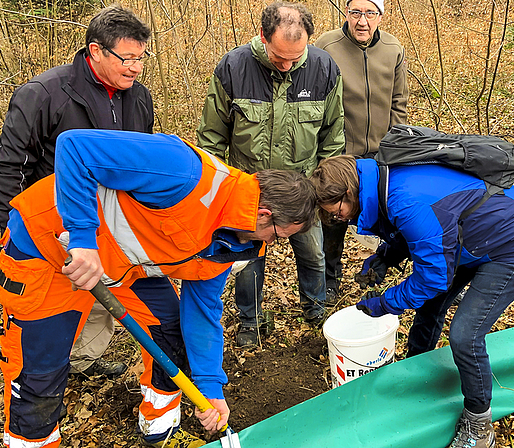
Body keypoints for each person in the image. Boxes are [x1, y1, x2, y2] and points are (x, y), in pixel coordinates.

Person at [0, 129, 318, 448]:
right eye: (278, 235)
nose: (273, 243)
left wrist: (210, 389)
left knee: (170, 332)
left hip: (120, 266)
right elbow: (75, 146)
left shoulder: (231, 242)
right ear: (264, 215)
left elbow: (203, 312)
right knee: (38, 375)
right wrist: (83, 239)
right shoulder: (183, 170)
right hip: (46, 247)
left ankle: (159, 429)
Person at [310, 155, 514, 448]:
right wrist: (386, 257)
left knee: (465, 335)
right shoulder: (381, 181)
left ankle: (479, 424)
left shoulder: (403, 198)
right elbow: (427, 227)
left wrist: (386, 303)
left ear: (348, 192)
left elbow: (432, 276)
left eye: (337, 211)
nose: (340, 218)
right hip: (471, 237)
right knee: (431, 306)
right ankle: (415, 372)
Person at [0, 5, 155, 379]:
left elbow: (141, 159)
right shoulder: (43, 95)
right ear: (96, 51)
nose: (135, 67)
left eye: (141, 58)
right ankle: (44, 376)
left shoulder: (139, 97)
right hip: (49, 229)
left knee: (104, 300)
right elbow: (10, 169)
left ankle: (83, 360)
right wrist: (7, 233)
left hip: (110, 226)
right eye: (127, 58)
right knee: (50, 310)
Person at [196, 1, 345, 347]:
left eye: (297, 56)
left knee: (313, 253)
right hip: (248, 191)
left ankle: (315, 306)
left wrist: (322, 191)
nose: (288, 64)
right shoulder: (233, 68)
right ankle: (250, 320)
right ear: (263, 36)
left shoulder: (324, 69)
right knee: (247, 264)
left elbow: (332, 136)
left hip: (304, 189)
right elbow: (212, 138)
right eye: (280, 56)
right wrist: (217, 194)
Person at [315, 0, 407, 304]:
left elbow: (399, 103)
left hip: (382, 155)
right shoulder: (327, 46)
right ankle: (331, 279)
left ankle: (378, 271)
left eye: (370, 13)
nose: (362, 21)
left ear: (381, 15)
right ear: (346, 13)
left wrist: (396, 147)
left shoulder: (393, 48)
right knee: (334, 218)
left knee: (387, 215)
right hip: (341, 155)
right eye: (355, 12)